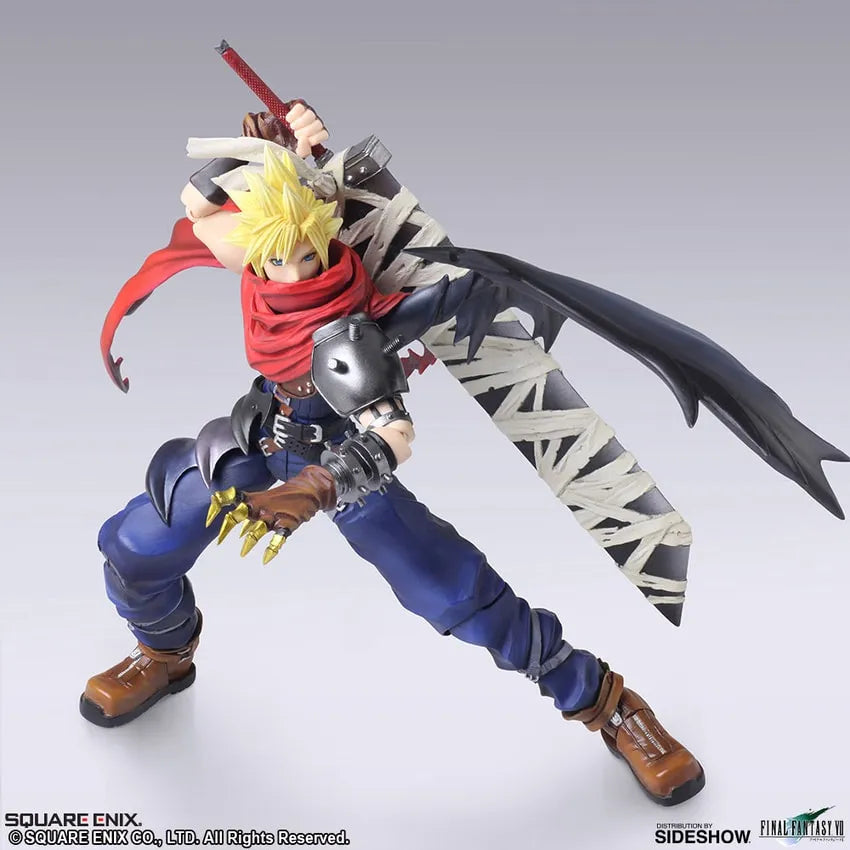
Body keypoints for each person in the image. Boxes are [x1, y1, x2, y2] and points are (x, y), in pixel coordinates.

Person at [82, 108, 705, 807]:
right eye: (277, 258)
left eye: (305, 254)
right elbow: (197, 208)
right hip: (259, 440)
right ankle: (165, 652)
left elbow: (394, 433)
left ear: (326, 235)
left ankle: (606, 703)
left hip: (340, 464)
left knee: (456, 591)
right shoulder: (261, 258)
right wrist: (262, 152)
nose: (291, 272)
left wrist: (320, 486)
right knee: (135, 542)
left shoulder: (345, 327)